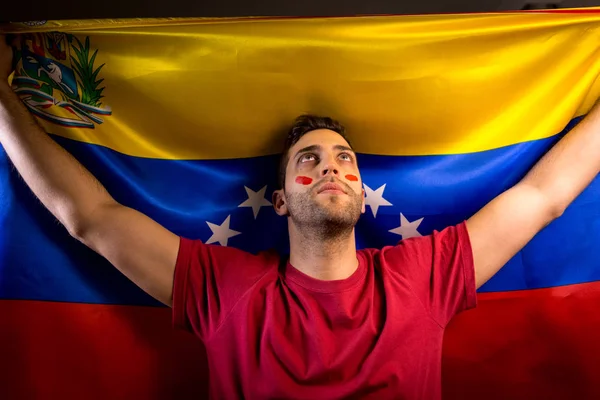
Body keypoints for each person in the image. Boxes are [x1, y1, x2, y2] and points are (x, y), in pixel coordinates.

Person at [1, 34, 599, 400]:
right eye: (308, 160)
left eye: (344, 159)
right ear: (282, 197)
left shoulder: (424, 275)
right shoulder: (224, 287)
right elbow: (91, 216)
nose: (332, 168)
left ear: (363, 193)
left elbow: (542, 196)